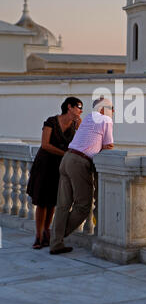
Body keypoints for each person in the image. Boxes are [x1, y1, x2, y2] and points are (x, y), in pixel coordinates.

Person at [49, 97, 114, 255]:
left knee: (63, 205)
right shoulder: (105, 119)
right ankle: (56, 237)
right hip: (79, 162)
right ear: (103, 109)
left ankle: (55, 242)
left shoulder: (88, 118)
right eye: (112, 108)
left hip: (67, 159)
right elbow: (109, 146)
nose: (113, 112)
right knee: (83, 206)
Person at [27, 97, 83, 249]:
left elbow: (79, 144)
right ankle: (38, 236)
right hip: (44, 165)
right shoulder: (51, 121)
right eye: (78, 106)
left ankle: (47, 232)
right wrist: (64, 153)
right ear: (69, 107)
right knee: (41, 202)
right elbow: (45, 144)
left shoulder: (74, 125)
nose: (81, 110)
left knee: (52, 201)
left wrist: (80, 127)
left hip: (59, 167)